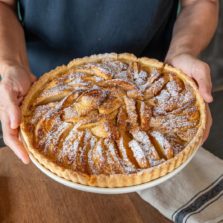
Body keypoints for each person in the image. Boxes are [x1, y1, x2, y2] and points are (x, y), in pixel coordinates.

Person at [0, 0, 218, 164]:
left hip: (149, 93)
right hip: (39, 98)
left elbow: (199, 2)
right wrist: (11, 64)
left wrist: (182, 51)